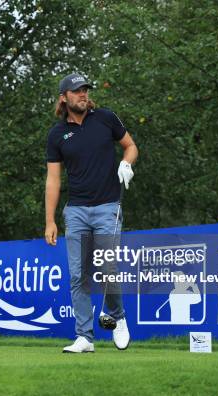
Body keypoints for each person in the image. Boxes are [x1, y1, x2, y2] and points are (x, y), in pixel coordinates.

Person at [45, 73, 138, 353]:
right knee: (77, 275)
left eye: (85, 90)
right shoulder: (57, 134)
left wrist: (126, 163)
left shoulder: (106, 118)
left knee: (107, 268)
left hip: (109, 206)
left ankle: (117, 318)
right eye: (77, 91)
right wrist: (49, 220)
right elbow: (53, 180)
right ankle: (84, 337)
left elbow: (131, 146)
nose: (83, 94)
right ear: (64, 98)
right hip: (76, 211)